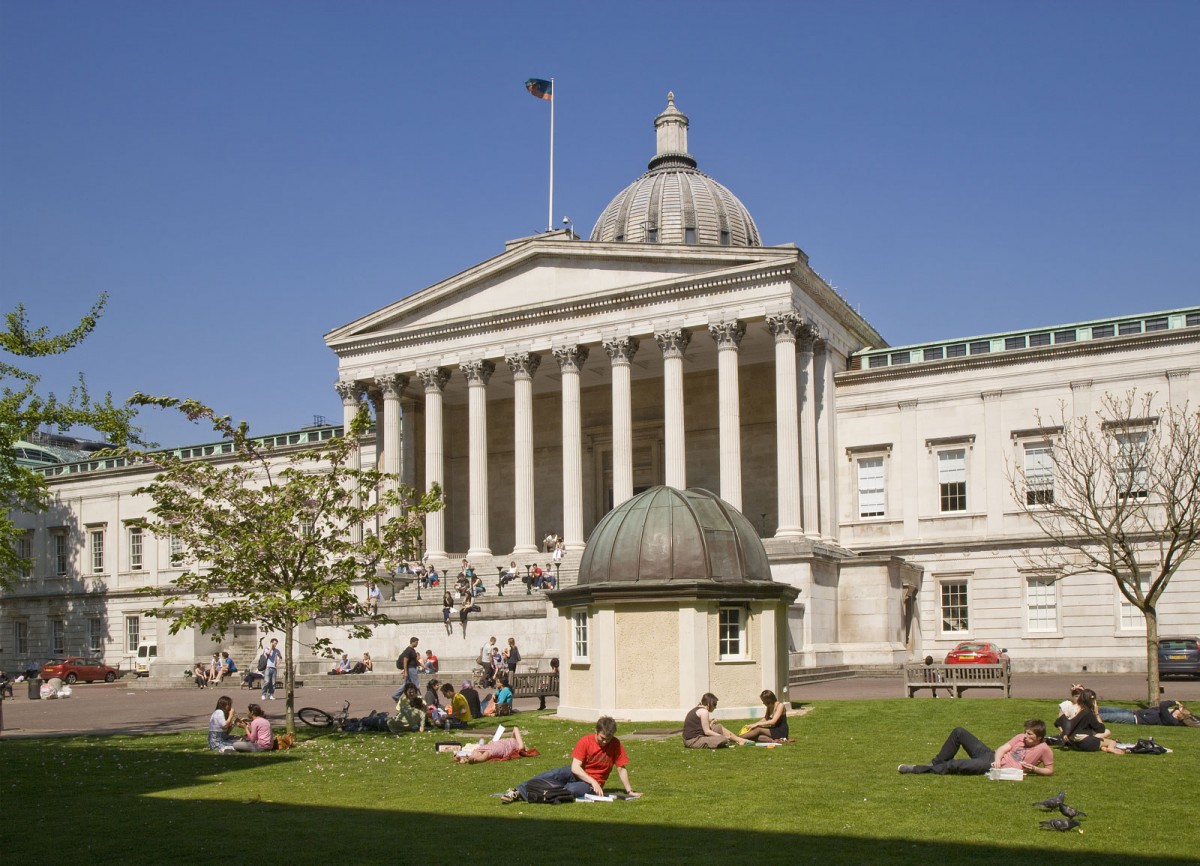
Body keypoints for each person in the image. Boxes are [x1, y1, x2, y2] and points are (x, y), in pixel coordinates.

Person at [503, 716, 641, 803]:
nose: (605, 742)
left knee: (569, 790)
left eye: (608, 739)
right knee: (553, 774)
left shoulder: (616, 744)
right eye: (602, 738)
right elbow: (575, 767)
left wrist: (629, 791)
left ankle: (531, 795)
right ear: (596, 731)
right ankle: (517, 790)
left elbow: (621, 768)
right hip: (578, 773)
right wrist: (592, 780)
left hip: (592, 784)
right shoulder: (585, 741)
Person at [898, 720, 1054, 776]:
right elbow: (1002, 748)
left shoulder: (1044, 749)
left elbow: (1049, 769)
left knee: (956, 765)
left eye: (1030, 735)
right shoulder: (1020, 737)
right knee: (959, 732)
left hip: (991, 767)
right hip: (991, 756)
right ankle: (935, 763)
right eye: (1026, 733)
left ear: (1039, 737)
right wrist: (998, 759)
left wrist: (1035, 769)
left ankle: (916, 769)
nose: (1025, 737)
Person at [1054, 688, 1124, 754]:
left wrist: (1064, 734)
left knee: (1101, 740)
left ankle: (1103, 748)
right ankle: (1110, 748)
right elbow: (1101, 729)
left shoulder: (1072, 708)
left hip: (1075, 744)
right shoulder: (1088, 713)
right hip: (1086, 742)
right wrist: (1096, 713)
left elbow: (1058, 722)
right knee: (1112, 742)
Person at [682, 693, 752, 748]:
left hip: (697, 737)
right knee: (723, 740)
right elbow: (707, 732)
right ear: (709, 704)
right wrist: (721, 736)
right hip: (693, 741)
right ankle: (730, 740)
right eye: (714, 705)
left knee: (718, 727)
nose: (715, 707)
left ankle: (739, 740)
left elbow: (702, 729)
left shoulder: (699, 709)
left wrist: (712, 723)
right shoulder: (704, 712)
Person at [455, 726, 530, 764]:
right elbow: (514, 732)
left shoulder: (519, 746)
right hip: (495, 745)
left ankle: (474, 759)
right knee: (480, 752)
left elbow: (515, 729)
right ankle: (465, 758)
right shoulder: (514, 742)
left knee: (486, 753)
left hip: (500, 747)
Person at [1098, 699, 1197, 727]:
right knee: (1105, 709)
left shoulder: (1172, 721)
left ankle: (1085, 716)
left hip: (1134, 719)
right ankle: (1086, 708)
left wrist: (1174, 702)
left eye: (1177, 709)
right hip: (1133, 712)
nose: (1174, 708)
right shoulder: (1170, 715)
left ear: (1179, 714)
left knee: (1106, 716)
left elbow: (1163, 705)